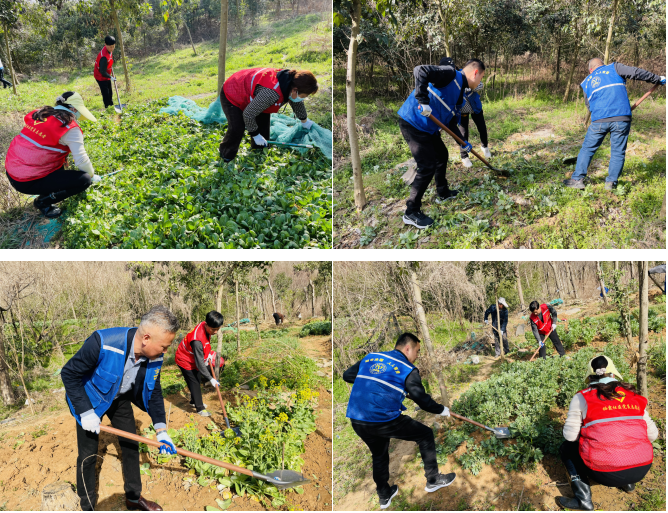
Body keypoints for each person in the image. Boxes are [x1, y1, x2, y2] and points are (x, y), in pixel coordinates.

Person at [61, 305, 180, 511]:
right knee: (88, 454)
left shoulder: (155, 355)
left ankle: (133, 498)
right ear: (146, 338)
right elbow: (69, 373)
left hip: (119, 397)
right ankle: (87, 506)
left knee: (131, 444)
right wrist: (86, 412)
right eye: (164, 346)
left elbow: (154, 390)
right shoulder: (103, 342)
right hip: (90, 400)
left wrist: (161, 430)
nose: (165, 351)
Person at [344, 332, 455, 509]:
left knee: (379, 454)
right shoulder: (407, 368)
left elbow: (347, 375)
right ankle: (433, 480)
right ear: (408, 348)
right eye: (417, 351)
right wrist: (442, 409)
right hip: (383, 420)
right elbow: (422, 400)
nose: (417, 356)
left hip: (357, 419)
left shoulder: (371, 357)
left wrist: (379, 384)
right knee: (425, 435)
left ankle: (384, 495)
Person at [557, 355, 657, 510]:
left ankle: (583, 500)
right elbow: (652, 435)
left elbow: (570, 436)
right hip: (642, 468)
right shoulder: (634, 396)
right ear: (613, 374)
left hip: (604, 473)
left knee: (567, 448)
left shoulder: (582, 397)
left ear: (590, 376)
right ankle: (628, 484)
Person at [397, 58, 485, 229]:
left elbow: (451, 122)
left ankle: (443, 192)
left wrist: (463, 142)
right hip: (413, 122)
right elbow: (420, 70)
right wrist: (422, 100)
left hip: (428, 128)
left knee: (442, 155)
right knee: (427, 166)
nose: (480, 82)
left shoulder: (460, 94)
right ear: (475, 73)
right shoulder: (450, 74)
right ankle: (411, 211)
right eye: (481, 77)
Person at [563, 58, 665, 190]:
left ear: (590, 70)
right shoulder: (614, 68)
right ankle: (611, 183)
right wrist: (657, 78)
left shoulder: (586, 82)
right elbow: (636, 72)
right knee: (617, 152)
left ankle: (577, 180)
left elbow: (589, 105)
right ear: (602, 65)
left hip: (599, 120)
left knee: (587, 149)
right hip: (621, 117)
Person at [4, 91, 100, 218]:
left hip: (11, 172)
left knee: (61, 166)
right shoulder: (68, 127)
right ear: (74, 109)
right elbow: (81, 160)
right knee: (84, 180)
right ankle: (43, 202)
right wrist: (92, 176)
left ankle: (47, 190)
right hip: (26, 181)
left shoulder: (41, 114)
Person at [219, 68, 319, 162]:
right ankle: (226, 156)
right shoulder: (272, 93)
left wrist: (304, 121)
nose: (303, 98)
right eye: (304, 96)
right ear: (294, 90)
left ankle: (259, 151)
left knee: (263, 120)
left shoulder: (290, 83)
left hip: (254, 93)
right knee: (237, 127)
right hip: (233, 91)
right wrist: (255, 134)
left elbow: (297, 103)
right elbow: (248, 114)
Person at [174, 311, 225, 417]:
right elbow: (200, 364)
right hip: (184, 359)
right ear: (206, 324)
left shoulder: (206, 327)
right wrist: (211, 379)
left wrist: (208, 354)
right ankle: (200, 408)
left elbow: (205, 345)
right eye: (213, 329)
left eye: (218, 329)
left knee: (196, 379)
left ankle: (194, 401)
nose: (215, 332)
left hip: (192, 357)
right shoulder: (197, 340)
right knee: (195, 382)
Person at [457, 80, 491, 168]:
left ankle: (485, 147)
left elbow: (480, 85)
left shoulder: (471, 76)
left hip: (475, 107)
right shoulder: (455, 79)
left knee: (482, 128)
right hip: (462, 109)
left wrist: (470, 86)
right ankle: (464, 156)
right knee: (463, 133)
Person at [94, 36, 117, 109]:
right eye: (110, 47)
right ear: (105, 44)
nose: (112, 48)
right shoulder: (103, 57)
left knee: (110, 92)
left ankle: (111, 106)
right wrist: (111, 77)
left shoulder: (109, 50)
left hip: (106, 74)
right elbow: (102, 71)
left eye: (113, 46)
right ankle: (107, 108)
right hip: (100, 76)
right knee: (106, 93)